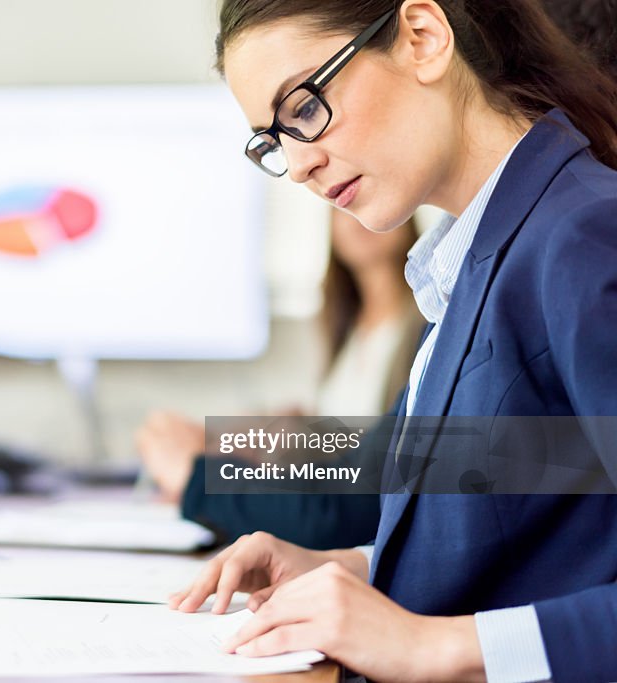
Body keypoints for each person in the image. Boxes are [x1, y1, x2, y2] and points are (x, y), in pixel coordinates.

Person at [169, 1, 617, 681]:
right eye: (272, 139)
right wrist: (355, 564)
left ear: (424, 38)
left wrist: (428, 646)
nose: (296, 164)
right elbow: (552, 532)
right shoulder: (476, 263)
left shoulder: (583, 237)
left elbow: (353, 471)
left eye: (305, 107)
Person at [137, 208, 425, 548]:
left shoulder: (425, 319)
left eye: (367, 207)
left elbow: (369, 455)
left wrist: (282, 440)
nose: (357, 221)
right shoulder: (341, 323)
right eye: (342, 213)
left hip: (357, 517)